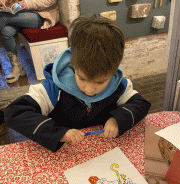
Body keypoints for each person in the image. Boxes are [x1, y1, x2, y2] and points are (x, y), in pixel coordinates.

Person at [5, 15, 151, 152]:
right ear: (73, 64)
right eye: (81, 78)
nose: (89, 90)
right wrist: (59, 132)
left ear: (112, 73)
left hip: (101, 154)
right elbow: (15, 112)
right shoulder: (54, 89)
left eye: (100, 82)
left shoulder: (118, 85)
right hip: (63, 155)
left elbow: (141, 104)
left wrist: (117, 119)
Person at [0, 0, 59, 83]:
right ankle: (17, 67)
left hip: (41, 15)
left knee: (2, 17)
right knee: (6, 32)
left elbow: (50, 1)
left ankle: (17, 68)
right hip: (23, 13)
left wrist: (27, 4)